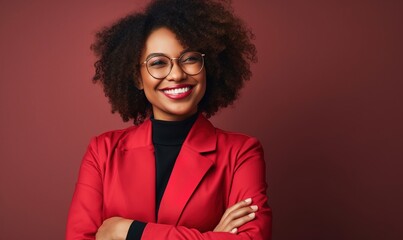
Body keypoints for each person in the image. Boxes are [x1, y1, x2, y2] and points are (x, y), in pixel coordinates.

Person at [66, 0, 272, 239]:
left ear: (209, 67)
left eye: (190, 59)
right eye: (158, 63)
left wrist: (131, 231)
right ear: (137, 78)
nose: (176, 74)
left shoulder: (241, 153)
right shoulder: (102, 153)